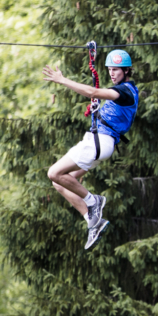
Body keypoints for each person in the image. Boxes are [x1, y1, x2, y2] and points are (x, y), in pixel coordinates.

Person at [42, 49, 139, 251]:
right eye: (110, 69)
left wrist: (62, 80)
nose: (112, 73)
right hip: (99, 143)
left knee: (53, 172)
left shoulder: (125, 91)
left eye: (117, 70)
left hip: (99, 142)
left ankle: (93, 200)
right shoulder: (120, 92)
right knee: (60, 183)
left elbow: (94, 92)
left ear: (127, 71)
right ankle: (92, 221)